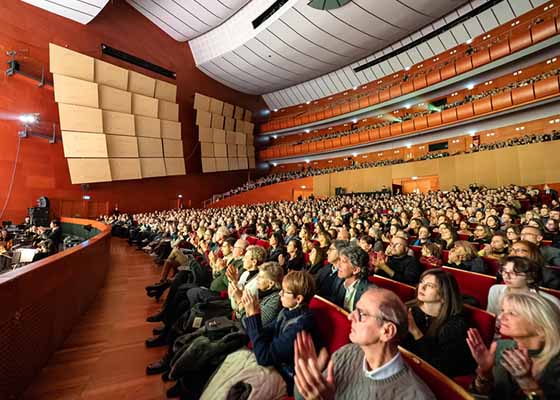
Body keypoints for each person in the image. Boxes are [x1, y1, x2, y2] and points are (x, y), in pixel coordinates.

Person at [294, 288, 435, 399]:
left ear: (387, 331)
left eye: (362, 314)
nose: (350, 316)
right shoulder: (347, 353)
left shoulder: (415, 395)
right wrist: (306, 378)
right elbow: (304, 396)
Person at [467, 292, 560, 399]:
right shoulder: (501, 348)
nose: (501, 317)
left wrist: (527, 382)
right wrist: (485, 372)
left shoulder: (556, 364)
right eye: (502, 311)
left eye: (511, 313)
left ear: (540, 327)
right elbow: (479, 395)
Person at [403, 269, 475, 377]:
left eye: (430, 286)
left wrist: (415, 332)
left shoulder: (455, 325)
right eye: (422, 282)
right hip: (409, 368)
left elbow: (440, 368)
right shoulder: (409, 308)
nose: (421, 287)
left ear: (443, 296)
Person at [487, 256, 560, 315]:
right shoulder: (495, 290)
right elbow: (492, 318)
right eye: (504, 271)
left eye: (514, 273)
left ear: (530, 278)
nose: (506, 276)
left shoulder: (550, 302)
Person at [331, 246, 373, 312]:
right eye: (339, 260)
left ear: (356, 270)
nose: (338, 265)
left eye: (343, 261)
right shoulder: (338, 281)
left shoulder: (368, 293)